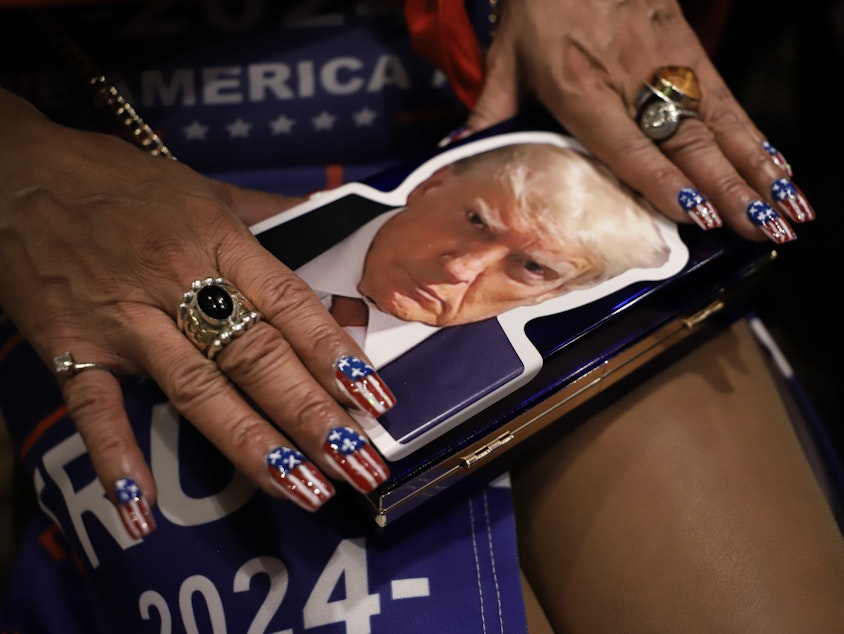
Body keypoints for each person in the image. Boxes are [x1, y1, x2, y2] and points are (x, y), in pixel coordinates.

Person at [0, 0, 842, 632]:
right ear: (440, 202)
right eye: (473, 233)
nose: (459, 270)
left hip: (493, 105)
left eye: (528, 268)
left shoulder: (549, 249)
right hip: (87, 179)